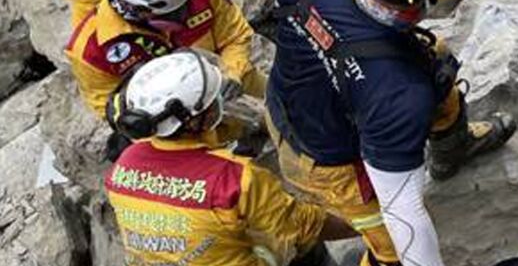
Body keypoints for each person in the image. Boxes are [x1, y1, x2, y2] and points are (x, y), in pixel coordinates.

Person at [263, 0, 517, 266]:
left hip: (289, 110)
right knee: (391, 253)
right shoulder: (401, 93)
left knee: (438, 60)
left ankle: (453, 147)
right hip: (332, 165)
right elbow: (406, 217)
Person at [105, 50, 355, 266]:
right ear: (195, 119)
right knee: (299, 244)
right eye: (213, 101)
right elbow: (306, 226)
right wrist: (369, 224)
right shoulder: (235, 180)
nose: (219, 103)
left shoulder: (125, 162)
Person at [65, 0, 267, 119]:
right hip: (179, 122)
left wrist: (233, 73)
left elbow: (236, 36)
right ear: (133, 8)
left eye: (183, 5)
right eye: (171, 12)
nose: (183, 15)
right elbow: (105, 103)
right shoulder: (90, 49)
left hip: (235, 84)